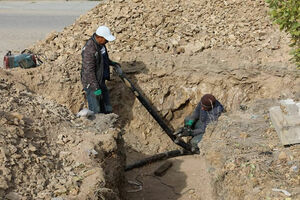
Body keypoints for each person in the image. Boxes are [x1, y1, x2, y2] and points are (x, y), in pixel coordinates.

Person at [81, 26, 119, 114]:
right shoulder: (89, 49)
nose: (107, 41)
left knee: (107, 108)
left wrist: (112, 63)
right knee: (96, 110)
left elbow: (103, 59)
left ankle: (108, 126)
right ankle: (95, 126)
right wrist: (96, 88)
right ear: (99, 37)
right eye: (106, 39)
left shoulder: (101, 45)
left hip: (100, 80)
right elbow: (88, 71)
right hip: (91, 84)